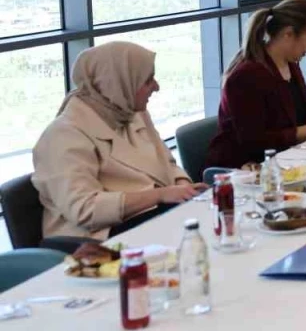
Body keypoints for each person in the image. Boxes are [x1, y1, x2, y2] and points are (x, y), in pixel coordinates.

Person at [32, 42, 205, 240]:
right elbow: (85, 210)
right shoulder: (63, 135)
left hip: (151, 215)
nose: (156, 87)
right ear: (119, 83)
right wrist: (161, 195)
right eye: (148, 81)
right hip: (97, 237)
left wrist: (186, 188)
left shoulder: (131, 111)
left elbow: (168, 164)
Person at [206, 0, 306, 172]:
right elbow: (254, 141)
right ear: (288, 34)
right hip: (243, 168)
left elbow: (297, 115)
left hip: (285, 159)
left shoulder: (290, 65)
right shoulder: (246, 76)